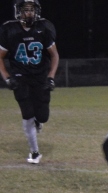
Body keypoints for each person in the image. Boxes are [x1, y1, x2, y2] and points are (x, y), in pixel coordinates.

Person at [0, 0, 58, 164]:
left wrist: (51, 77)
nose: (29, 13)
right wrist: (7, 78)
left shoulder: (44, 27)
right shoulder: (9, 30)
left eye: (32, 10)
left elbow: (54, 55)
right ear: (19, 12)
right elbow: (0, 57)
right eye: (26, 10)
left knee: (43, 116)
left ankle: (38, 122)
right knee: (27, 114)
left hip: (40, 76)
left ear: (36, 11)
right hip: (20, 76)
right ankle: (34, 152)